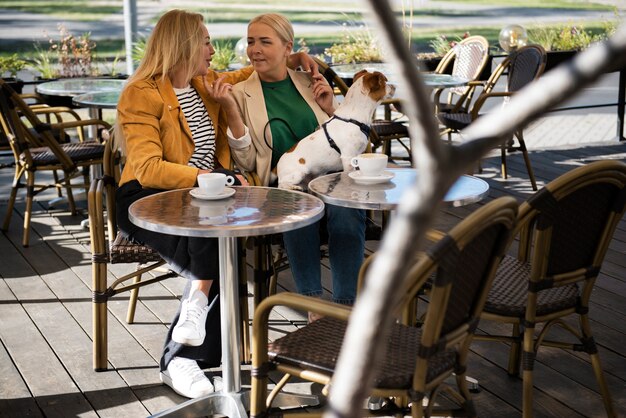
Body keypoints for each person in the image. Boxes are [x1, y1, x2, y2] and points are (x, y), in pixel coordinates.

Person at [115, 9, 318, 399]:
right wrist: (213, 180)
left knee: (221, 237)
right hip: (147, 199)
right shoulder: (140, 93)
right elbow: (146, 166)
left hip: (204, 197)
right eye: (206, 41)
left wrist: (295, 58)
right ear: (184, 45)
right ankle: (184, 356)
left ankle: (188, 345)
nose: (212, 49)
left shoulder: (205, 84)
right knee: (216, 241)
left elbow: (253, 71)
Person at [211, 13, 366, 314]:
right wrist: (231, 111)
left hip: (330, 177)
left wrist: (330, 108)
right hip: (283, 184)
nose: (254, 49)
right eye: (251, 41)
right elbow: (246, 161)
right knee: (297, 209)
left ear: (287, 48)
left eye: (265, 42)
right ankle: (312, 306)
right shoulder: (241, 93)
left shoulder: (308, 81)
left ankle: (347, 308)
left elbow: (341, 139)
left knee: (347, 212)